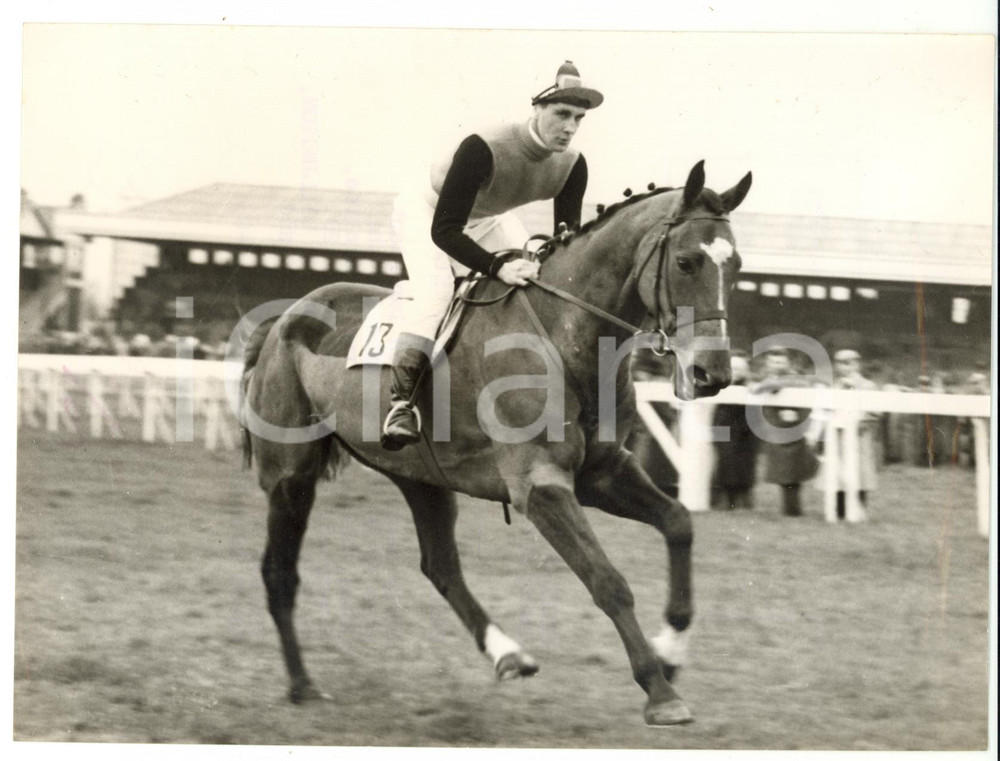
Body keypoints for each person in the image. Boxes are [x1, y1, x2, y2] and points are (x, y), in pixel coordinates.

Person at [381, 61, 604, 450]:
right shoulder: (482, 148)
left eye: (578, 119)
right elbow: (445, 231)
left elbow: (565, 240)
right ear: (536, 108)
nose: (570, 127)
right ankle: (402, 404)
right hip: (428, 213)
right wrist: (497, 265)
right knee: (437, 291)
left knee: (535, 279)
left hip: (487, 218)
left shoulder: (573, 164)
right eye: (561, 114)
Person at [754, 348, 819, 517]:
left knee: (793, 471)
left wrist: (795, 413)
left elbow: (806, 399)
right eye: (772, 362)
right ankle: (790, 509)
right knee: (784, 472)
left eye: (780, 362)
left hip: (793, 429)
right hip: (775, 430)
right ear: (767, 363)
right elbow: (761, 392)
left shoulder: (796, 379)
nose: (776, 365)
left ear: (787, 362)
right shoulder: (765, 378)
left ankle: (793, 510)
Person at [819, 348, 880, 519]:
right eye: (840, 364)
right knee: (837, 469)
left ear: (857, 364)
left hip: (859, 435)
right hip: (838, 435)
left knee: (860, 470)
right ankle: (839, 509)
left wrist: (864, 422)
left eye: (848, 363)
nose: (844, 368)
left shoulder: (868, 386)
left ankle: (859, 508)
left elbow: (875, 411)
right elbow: (825, 409)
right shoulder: (834, 386)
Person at [711, 352, 759, 510]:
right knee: (725, 460)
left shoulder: (751, 385)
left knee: (746, 461)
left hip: (746, 428)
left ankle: (744, 498)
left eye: (740, 368)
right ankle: (726, 499)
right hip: (723, 426)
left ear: (746, 370)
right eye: (733, 368)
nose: (736, 372)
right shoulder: (720, 384)